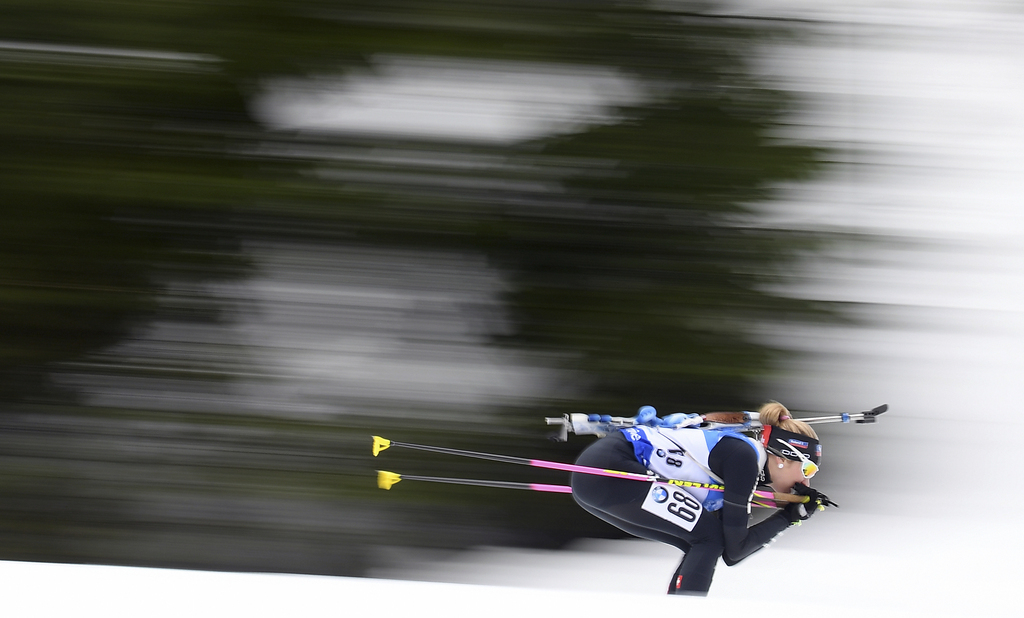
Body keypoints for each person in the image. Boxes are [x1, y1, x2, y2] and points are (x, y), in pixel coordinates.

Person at [570, 401, 832, 596]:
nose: (806, 483)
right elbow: (735, 550)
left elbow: (728, 549)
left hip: (595, 481)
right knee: (709, 539)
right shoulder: (744, 460)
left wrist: (788, 515)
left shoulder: (745, 460)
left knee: (700, 542)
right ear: (783, 458)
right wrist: (788, 517)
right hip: (612, 470)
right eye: (808, 470)